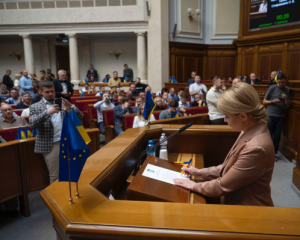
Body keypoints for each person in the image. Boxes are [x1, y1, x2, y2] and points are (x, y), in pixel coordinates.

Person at [174, 82, 275, 206]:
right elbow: (229, 167)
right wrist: (200, 172)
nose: (225, 120)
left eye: (227, 116)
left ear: (243, 116)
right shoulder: (249, 128)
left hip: (249, 211)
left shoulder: (257, 148)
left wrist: (193, 185)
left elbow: (222, 185)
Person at [29, 81, 83, 184]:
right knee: (56, 175)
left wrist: (70, 108)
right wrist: (47, 113)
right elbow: (32, 124)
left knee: (72, 170)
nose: (50, 94)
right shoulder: (35, 106)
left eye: (52, 91)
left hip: (68, 141)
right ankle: (56, 198)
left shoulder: (63, 102)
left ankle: (69, 196)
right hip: (51, 143)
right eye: (47, 92)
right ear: (40, 92)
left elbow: (80, 117)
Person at [263, 72, 290, 158]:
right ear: (277, 81)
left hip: (281, 116)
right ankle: (267, 153)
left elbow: (288, 105)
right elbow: (264, 101)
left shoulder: (287, 89)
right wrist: (272, 101)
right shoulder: (272, 88)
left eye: (283, 82)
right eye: (279, 82)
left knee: (277, 136)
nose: (281, 84)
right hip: (271, 114)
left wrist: (286, 98)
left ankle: (274, 154)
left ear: (285, 81)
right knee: (269, 134)